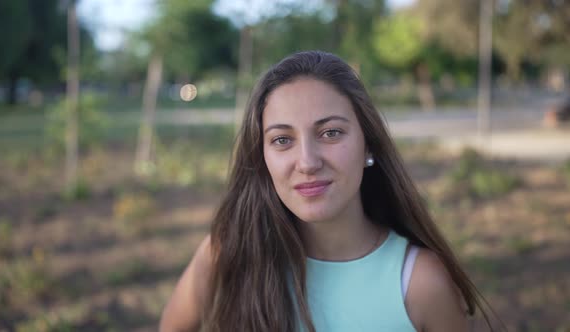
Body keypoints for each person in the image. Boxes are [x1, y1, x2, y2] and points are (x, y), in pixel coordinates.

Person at [159, 51, 495, 332]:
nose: (307, 161)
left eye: (331, 133)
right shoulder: (229, 251)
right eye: (282, 140)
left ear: (368, 144)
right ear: (262, 158)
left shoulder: (420, 283)